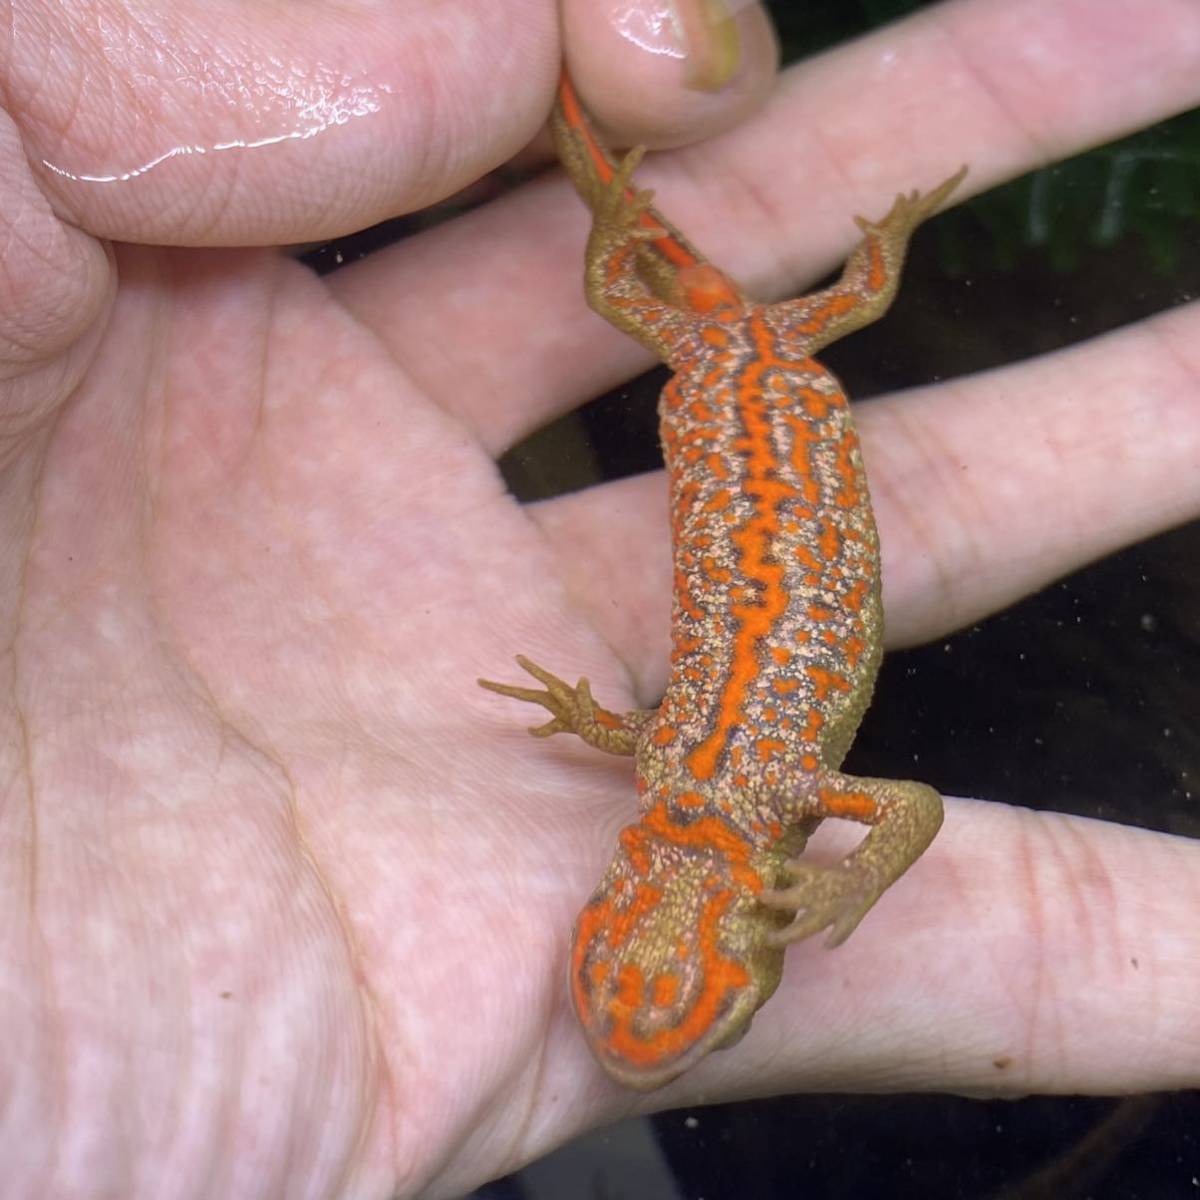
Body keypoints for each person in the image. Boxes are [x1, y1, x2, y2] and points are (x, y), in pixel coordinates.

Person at [1, 0, 1197, 1195]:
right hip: (770, 510)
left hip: (762, 500)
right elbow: (905, 810)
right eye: (713, 1011)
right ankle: (604, 176)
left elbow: (814, 784)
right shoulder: (749, 792)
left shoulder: (699, 781)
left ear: (620, 907)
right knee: (717, 279)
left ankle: (603, 174)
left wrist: (602, 731)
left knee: (748, 283)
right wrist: (847, 875)